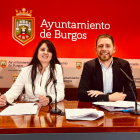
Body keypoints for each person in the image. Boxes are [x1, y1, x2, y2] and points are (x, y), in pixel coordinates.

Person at [0, 40, 65, 107]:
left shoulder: (57, 69)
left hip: (49, 109)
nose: (46, 52)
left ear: (52, 55)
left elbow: (60, 93)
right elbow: (14, 91)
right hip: (28, 109)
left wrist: (49, 99)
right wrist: (4, 99)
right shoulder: (26, 71)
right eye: (42, 50)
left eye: (49, 51)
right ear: (37, 52)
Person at [78, 34, 137, 102]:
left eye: (108, 46)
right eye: (100, 46)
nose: (104, 49)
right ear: (96, 50)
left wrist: (105, 96)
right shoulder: (89, 66)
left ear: (114, 49)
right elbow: (81, 94)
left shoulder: (123, 65)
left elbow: (133, 94)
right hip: (96, 109)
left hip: (117, 109)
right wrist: (109, 97)